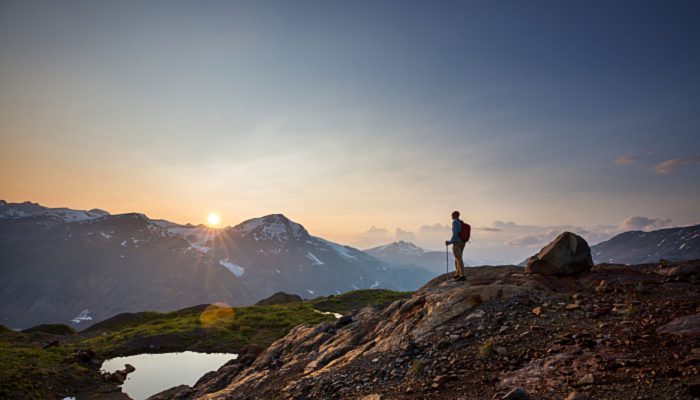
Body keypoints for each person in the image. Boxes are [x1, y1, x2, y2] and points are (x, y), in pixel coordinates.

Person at [445, 211, 467, 281]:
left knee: (458, 259)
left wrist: (449, 242)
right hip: (462, 242)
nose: (451, 216)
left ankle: (462, 275)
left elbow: (455, 234)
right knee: (458, 258)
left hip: (457, 243)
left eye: (452, 215)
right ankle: (457, 274)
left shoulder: (455, 222)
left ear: (454, 215)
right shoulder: (461, 222)